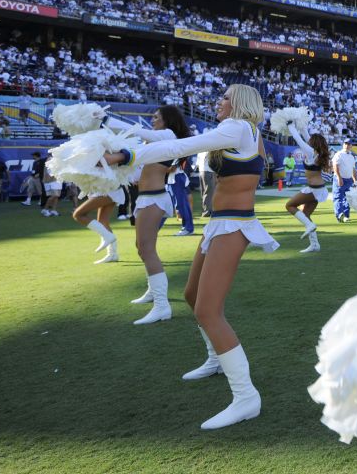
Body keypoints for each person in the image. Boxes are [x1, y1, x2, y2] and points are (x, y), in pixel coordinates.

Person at [104, 84, 279, 430]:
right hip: (219, 223)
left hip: (234, 225)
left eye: (226, 97)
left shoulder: (238, 128)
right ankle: (216, 358)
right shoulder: (243, 131)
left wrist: (126, 156)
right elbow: (181, 143)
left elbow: (180, 145)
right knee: (190, 295)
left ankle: (246, 397)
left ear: (240, 103)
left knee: (207, 310)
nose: (219, 100)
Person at [106, 107, 191, 324]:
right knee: (141, 247)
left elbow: (145, 134)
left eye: (156, 117)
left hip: (154, 198)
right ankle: (154, 291)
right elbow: (137, 171)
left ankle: (162, 306)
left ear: (167, 120)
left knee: (147, 249)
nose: (152, 120)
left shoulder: (167, 135)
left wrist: (108, 119)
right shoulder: (155, 142)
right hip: (145, 198)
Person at [284, 122, 330, 253]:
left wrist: (291, 126)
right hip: (318, 188)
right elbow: (305, 136)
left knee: (290, 205)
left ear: (313, 143)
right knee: (306, 213)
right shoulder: (316, 153)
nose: (308, 142)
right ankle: (315, 245)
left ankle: (309, 225)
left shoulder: (311, 152)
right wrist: (303, 127)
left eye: (310, 141)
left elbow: (299, 140)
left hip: (314, 189)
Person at [331, 140, 357, 223]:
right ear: (343, 145)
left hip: (349, 179)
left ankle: (346, 215)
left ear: (351, 146)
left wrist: (355, 180)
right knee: (338, 197)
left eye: (349, 144)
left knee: (348, 198)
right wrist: (339, 177)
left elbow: (353, 169)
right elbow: (335, 166)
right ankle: (339, 215)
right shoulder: (338, 154)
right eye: (346, 143)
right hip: (340, 178)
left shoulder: (351, 156)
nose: (347, 145)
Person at [170, 155, 195, 236]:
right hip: (174, 178)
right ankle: (187, 227)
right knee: (179, 205)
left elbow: (172, 169)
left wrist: (157, 171)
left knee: (182, 205)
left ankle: (187, 228)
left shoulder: (177, 152)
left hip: (177, 177)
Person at [196, 150, 215, 218]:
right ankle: (207, 212)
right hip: (208, 171)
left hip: (202, 171)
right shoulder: (209, 150)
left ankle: (207, 210)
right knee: (209, 192)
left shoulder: (201, 150)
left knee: (205, 192)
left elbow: (197, 164)